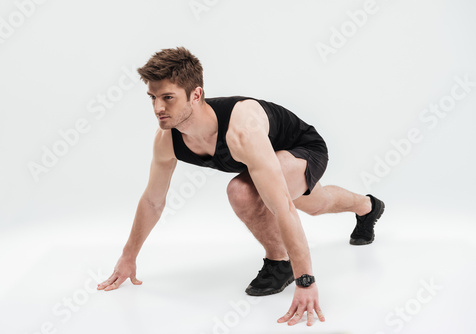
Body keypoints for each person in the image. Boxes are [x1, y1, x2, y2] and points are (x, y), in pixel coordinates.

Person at [97, 47, 385, 326]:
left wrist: (306, 281)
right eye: (153, 97)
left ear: (195, 95)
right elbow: (152, 202)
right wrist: (128, 256)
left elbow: (281, 206)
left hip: (301, 147)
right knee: (315, 202)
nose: (158, 108)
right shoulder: (167, 141)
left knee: (245, 192)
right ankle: (367, 207)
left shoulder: (241, 130)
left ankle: (280, 262)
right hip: (264, 159)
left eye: (168, 98)